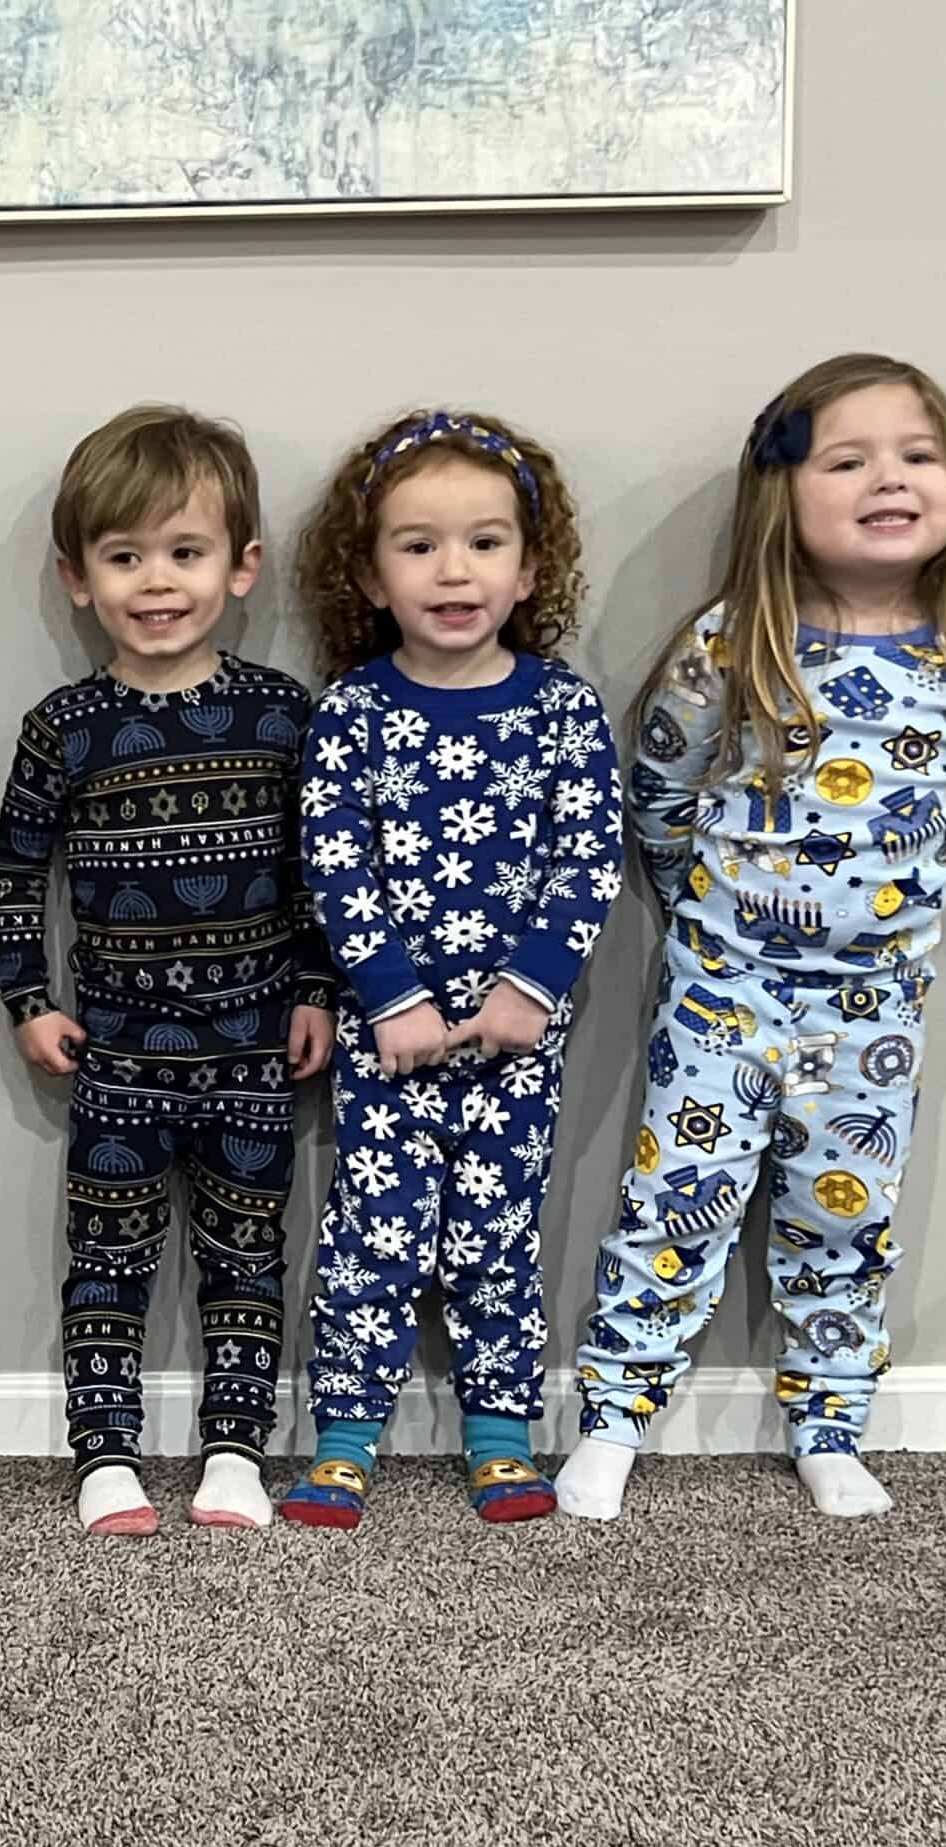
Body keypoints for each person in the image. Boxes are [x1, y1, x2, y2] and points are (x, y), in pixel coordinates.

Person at [556, 355, 946, 1522]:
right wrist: (703, 923)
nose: (890, 479)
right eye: (848, 459)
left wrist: (890, 937)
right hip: (723, 991)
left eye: (917, 456)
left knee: (842, 1214)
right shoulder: (733, 643)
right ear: (785, 492)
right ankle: (613, 1419)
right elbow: (656, 793)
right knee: (674, 1202)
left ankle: (829, 1425)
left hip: (875, 1008)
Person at [0, 405, 334, 1536]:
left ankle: (235, 1449)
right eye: (124, 556)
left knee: (246, 1251)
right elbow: (13, 868)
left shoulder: (286, 718)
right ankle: (104, 1456)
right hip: (119, 1052)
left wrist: (318, 991)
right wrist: (29, 1001)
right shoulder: (62, 727)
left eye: (184, 553)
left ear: (240, 568)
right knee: (109, 1254)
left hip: (251, 1048)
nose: (155, 582)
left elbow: (321, 869)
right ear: (77, 578)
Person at [286, 411, 620, 1528]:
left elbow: (586, 863)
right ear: (370, 577)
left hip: (518, 1037)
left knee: (496, 1236)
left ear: (528, 568)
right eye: (417, 545)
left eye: (483, 542)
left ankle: (499, 1431)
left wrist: (528, 990)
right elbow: (335, 865)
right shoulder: (352, 714)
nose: (452, 569)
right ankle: (342, 1434)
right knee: (369, 1232)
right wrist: (393, 998)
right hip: (391, 1036)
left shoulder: (564, 710)